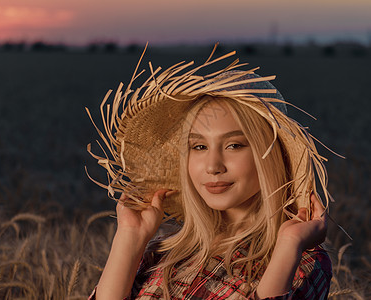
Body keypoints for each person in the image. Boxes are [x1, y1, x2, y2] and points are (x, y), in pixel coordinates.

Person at [86, 45, 332, 299]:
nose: (213, 166)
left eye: (234, 145)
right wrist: (130, 236)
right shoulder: (161, 253)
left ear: (270, 155)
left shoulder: (302, 262)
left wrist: (290, 244)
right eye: (199, 146)